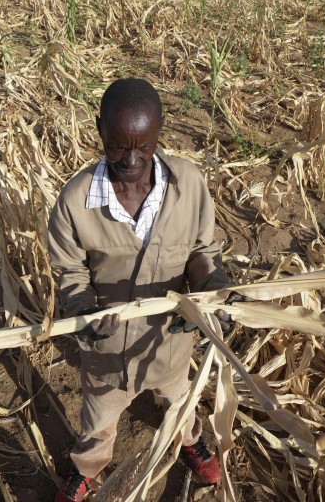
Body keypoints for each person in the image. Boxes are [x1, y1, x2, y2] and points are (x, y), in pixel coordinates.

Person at [47, 78, 234, 502]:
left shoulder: (187, 185)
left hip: (168, 343)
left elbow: (203, 253)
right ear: (99, 130)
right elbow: (71, 271)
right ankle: (86, 469)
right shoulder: (76, 201)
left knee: (180, 401)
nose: (131, 160)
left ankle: (189, 440)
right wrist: (81, 310)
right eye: (117, 147)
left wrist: (214, 292)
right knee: (98, 419)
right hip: (107, 351)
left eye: (143, 147)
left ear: (159, 131)